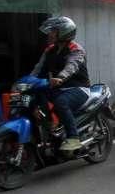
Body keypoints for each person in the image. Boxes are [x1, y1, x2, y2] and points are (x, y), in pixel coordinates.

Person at [31, 16, 90, 151]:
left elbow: (72, 66)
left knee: (60, 102)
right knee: (33, 96)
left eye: (53, 31)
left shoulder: (76, 49)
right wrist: (27, 82)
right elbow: (38, 69)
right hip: (58, 87)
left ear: (63, 32)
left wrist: (61, 77)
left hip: (78, 88)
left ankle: (73, 138)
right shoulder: (49, 50)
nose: (50, 33)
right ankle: (50, 126)